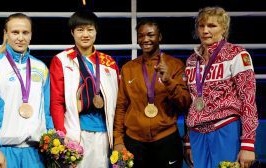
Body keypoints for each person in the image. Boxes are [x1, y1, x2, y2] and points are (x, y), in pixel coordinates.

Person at [0, 13, 54, 168]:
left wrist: (52, 141)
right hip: (4, 152)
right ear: (6, 34)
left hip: (36, 154)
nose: (20, 37)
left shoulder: (41, 68)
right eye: (15, 32)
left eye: (25, 33)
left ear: (31, 36)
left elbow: (46, 112)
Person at [184, 6, 259, 168]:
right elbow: (193, 102)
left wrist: (248, 144)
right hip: (197, 134)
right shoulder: (191, 61)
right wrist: (188, 141)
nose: (205, 30)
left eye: (212, 26)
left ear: (224, 29)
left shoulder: (237, 55)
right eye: (201, 25)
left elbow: (248, 100)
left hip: (225, 128)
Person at [113, 18, 191, 168]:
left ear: (159, 37)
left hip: (166, 139)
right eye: (141, 36)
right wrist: (118, 140)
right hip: (133, 141)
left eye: (150, 35)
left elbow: (185, 103)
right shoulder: (128, 68)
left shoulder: (175, 65)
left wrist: (168, 81)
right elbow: (121, 106)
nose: (145, 39)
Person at [50, 10, 119, 168]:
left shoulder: (109, 62)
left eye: (90, 29)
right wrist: (61, 135)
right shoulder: (61, 60)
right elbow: (56, 101)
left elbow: (118, 101)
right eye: (80, 30)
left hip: (105, 134)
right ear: (72, 32)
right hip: (75, 133)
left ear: (96, 31)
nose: (85, 34)